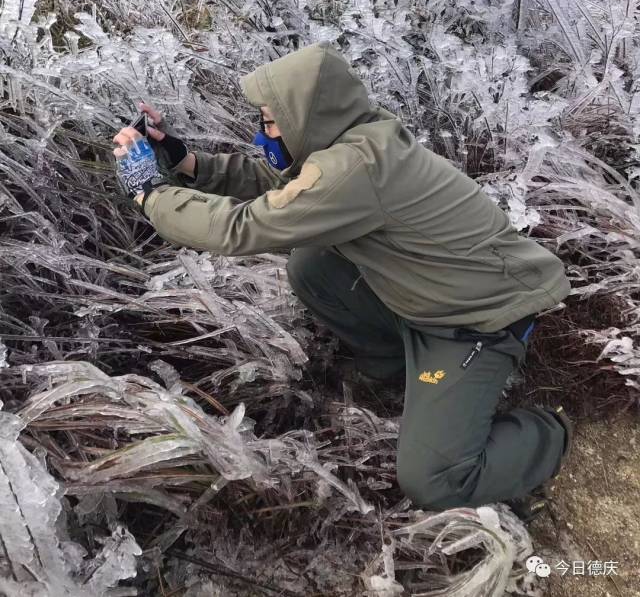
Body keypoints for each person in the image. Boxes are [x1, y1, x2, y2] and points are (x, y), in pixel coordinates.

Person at [112, 42, 572, 520]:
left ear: (305, 115)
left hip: (478, 318)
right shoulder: (353, 140)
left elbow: (239, 228)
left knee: (433, 479)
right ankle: (396, 363)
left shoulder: (357, 168)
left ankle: (549, 431)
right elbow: (281, 186)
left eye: (271, 121)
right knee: (313, 266)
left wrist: (150, 192)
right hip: (427, 294)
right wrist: (182, 160)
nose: (263, 132)